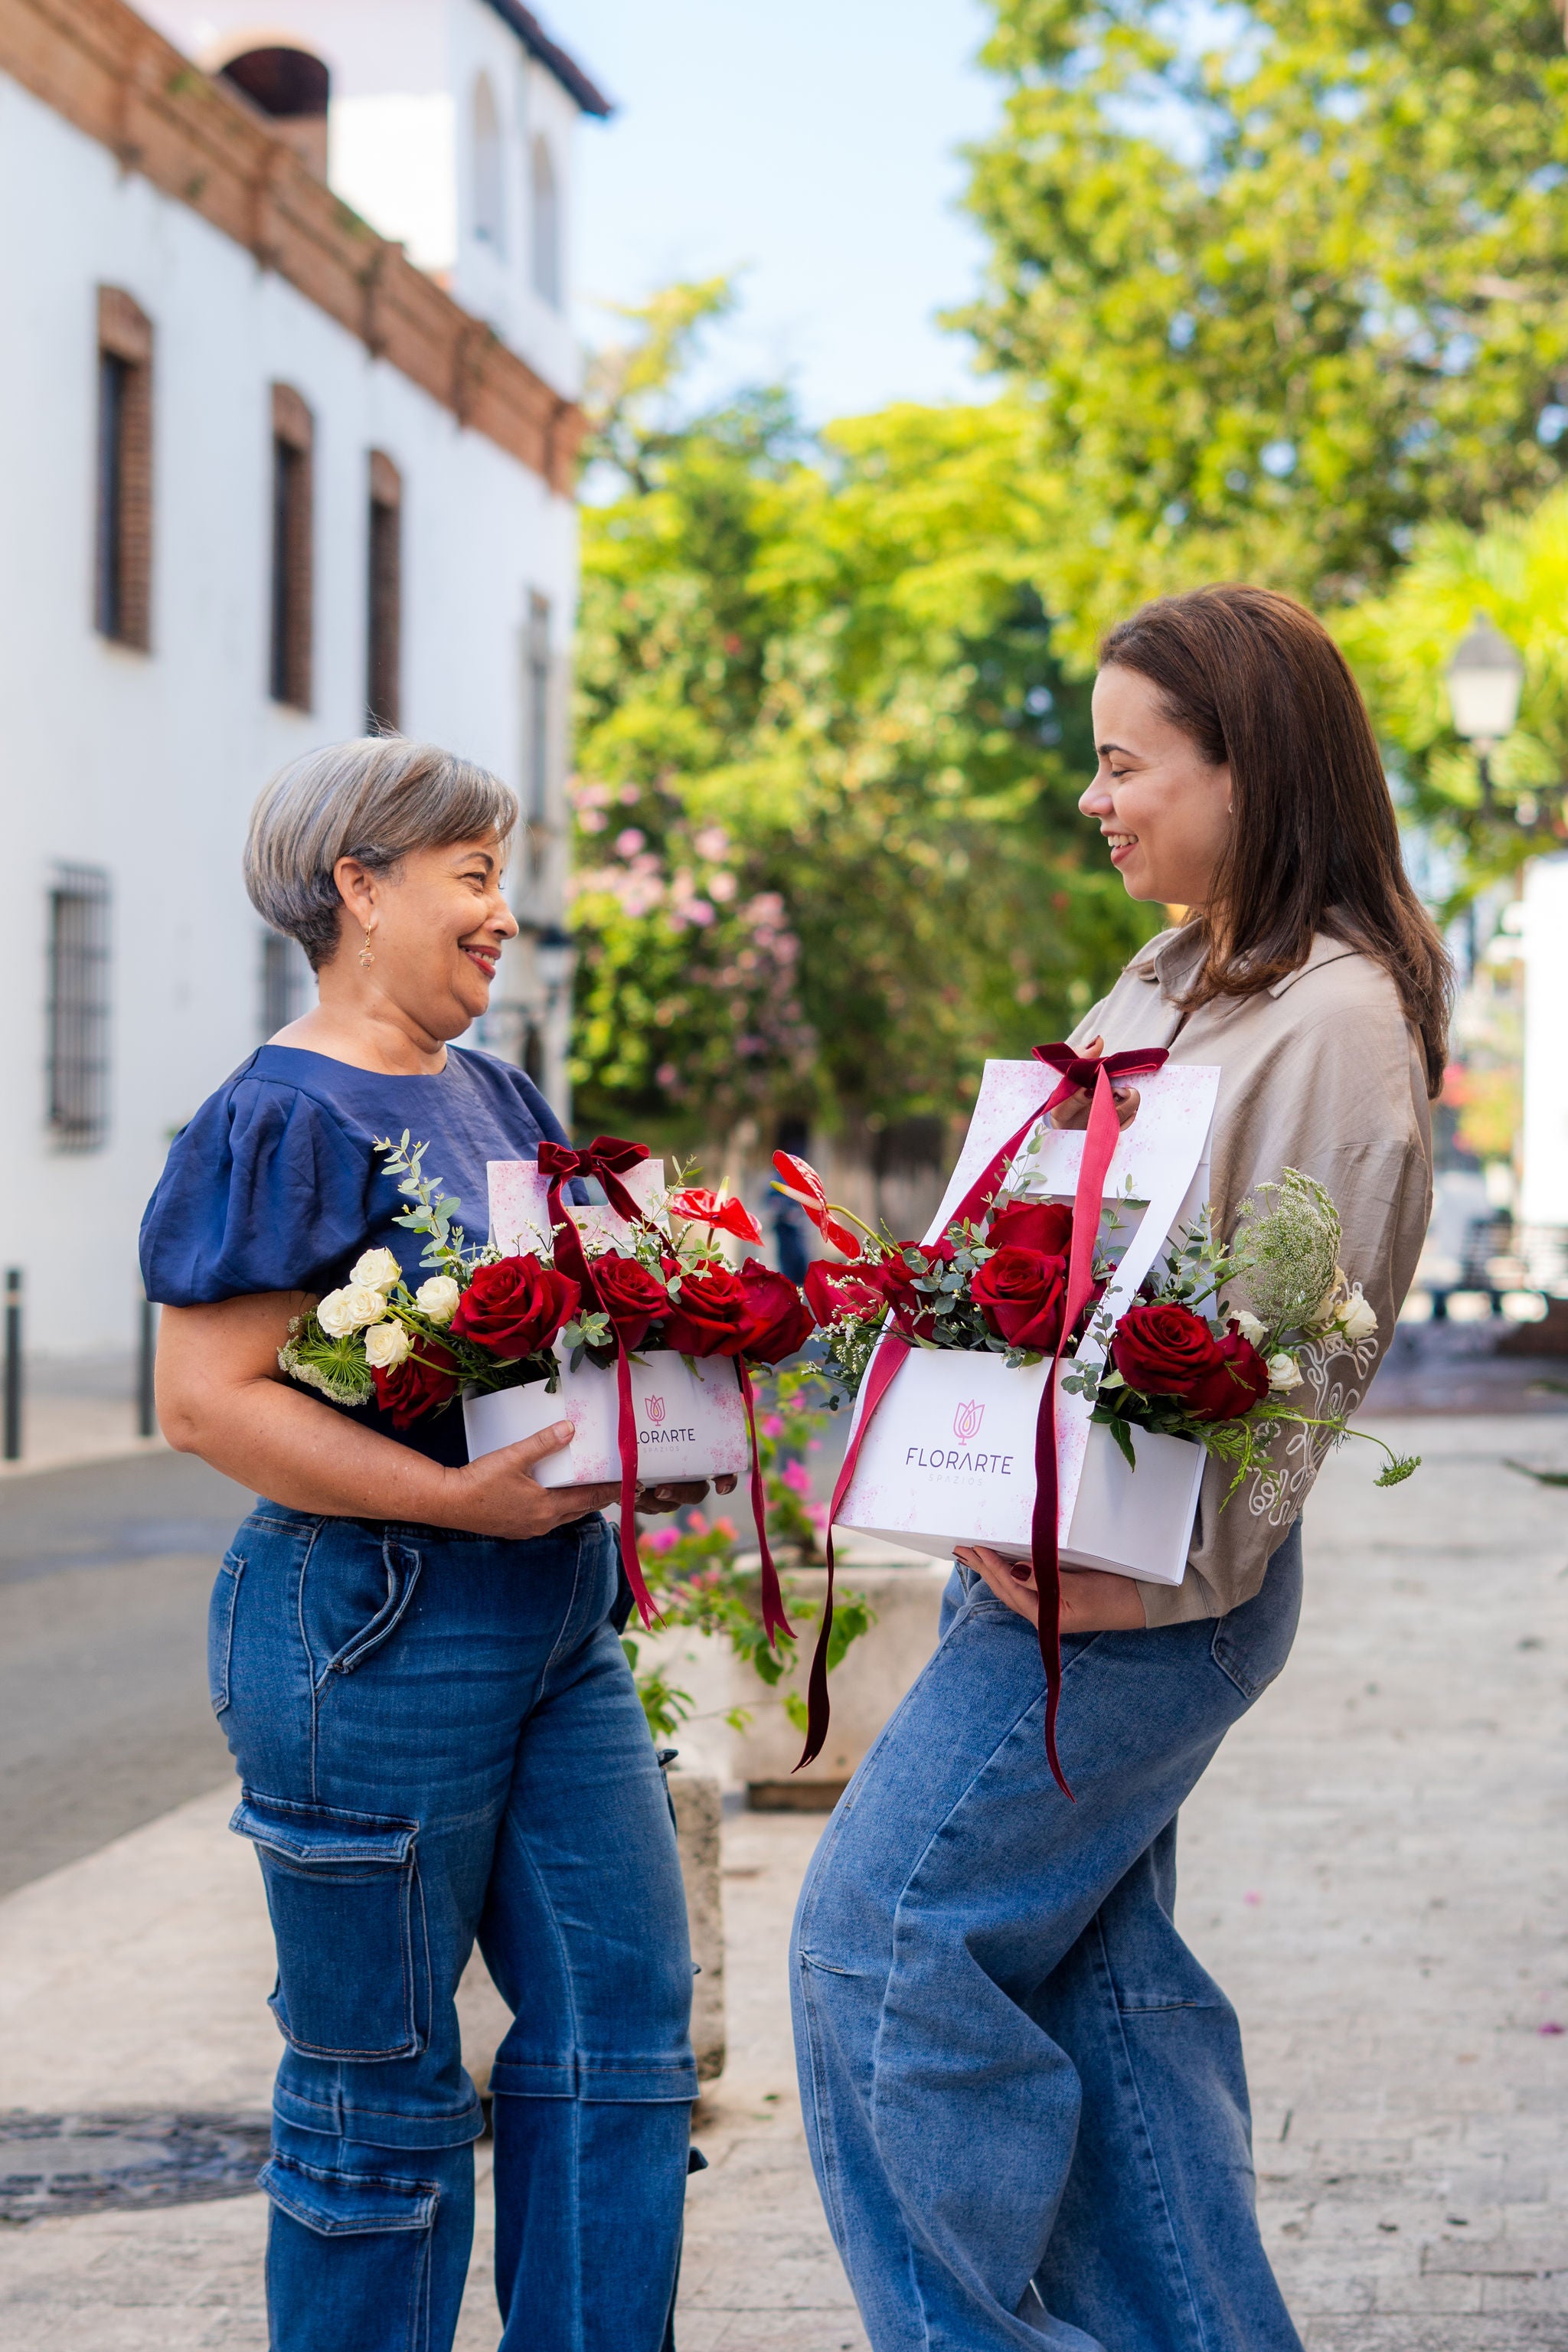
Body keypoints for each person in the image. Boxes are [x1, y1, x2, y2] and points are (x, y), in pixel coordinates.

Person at [789, 586, 1447, 2350]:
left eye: (1123, 762)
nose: (1096, 798)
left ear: (1251, 768)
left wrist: (1137, 1568)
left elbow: (1306, 1352)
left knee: (871, 1956)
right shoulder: (1179, 971)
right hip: (1059, 1565)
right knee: (1108, 2009)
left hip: (1128, 1598)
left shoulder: (1326, 1022)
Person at [142, 737, 717, 2352]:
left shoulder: (495, 1091)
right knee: (382, 2087)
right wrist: (455, 1500)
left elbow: (563, 1343)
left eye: (500, 876)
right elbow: (205, 1401)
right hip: (370, 1630)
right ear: (359, 888)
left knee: (621, 2033)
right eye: (472, 875)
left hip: (552, 1628)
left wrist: (658, 1419)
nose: (503, 914)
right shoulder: (285, 1114)